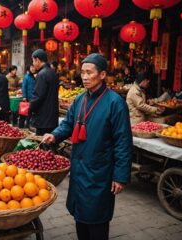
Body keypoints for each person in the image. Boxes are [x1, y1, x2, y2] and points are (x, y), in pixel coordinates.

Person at [42, 53, 133, 240]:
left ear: (102, 75)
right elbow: (68, 124)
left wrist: (120, 176)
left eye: (89, 72)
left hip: (100, 170)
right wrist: (55, 134)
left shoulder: (116, 103)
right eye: (82, 72)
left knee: (97, 220)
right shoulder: (80, 99)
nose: (84, 77)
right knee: (80, 218)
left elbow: (123, 142)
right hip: (79, 167)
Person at [29, 49, 59, 136]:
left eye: (33, 61)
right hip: (52, 116)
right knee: (49, 142)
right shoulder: (52, 73)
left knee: (42, 143)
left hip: (43, 117)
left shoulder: (42, 74)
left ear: (37, 60)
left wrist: (30, 108)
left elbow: (38, 96)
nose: (33, 64)